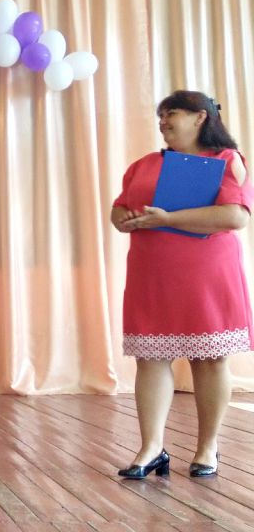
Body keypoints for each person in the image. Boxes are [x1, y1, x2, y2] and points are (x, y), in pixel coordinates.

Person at [112, 90, 251, 479]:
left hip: (207, 274)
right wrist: (122, 218)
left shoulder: (228, 160)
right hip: (152, 274)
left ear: (200, 117)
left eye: (171, 113)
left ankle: (207, 447)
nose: (163, 122)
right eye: (160, 116)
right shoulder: (144, 164)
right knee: (150, 359)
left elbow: (236, 216)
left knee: (210, 359)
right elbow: (120, 207)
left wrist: (168, 219)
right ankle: (151, 448)